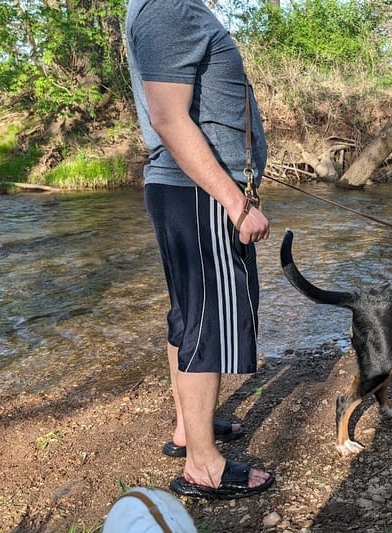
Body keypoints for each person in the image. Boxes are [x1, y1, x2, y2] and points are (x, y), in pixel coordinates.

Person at [125, 0, 274, 499]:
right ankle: (203, 466)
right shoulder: (168, 8)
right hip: (202, 194)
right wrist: (235, 202)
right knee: (206, 321)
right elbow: (169, 118)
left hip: (190, 192)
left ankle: (190, 432)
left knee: (188, 315)